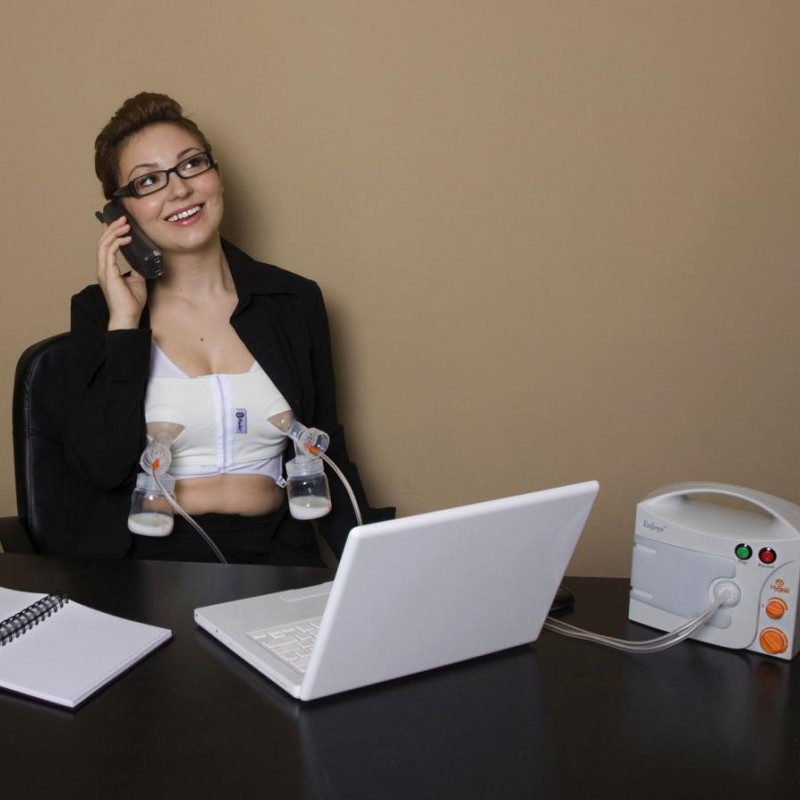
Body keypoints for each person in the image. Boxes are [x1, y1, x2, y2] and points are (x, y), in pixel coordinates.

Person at [64, 92, 392, 565]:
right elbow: (101, 466)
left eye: (191, 164)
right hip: (148, 566)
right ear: (120, 214)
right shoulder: (101, 313)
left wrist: (382, 574)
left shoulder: (293, 301)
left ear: (216, 176)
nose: (178, 190)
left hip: (279, 559)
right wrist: (124, 325)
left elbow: (329, 452)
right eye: (149, 181)